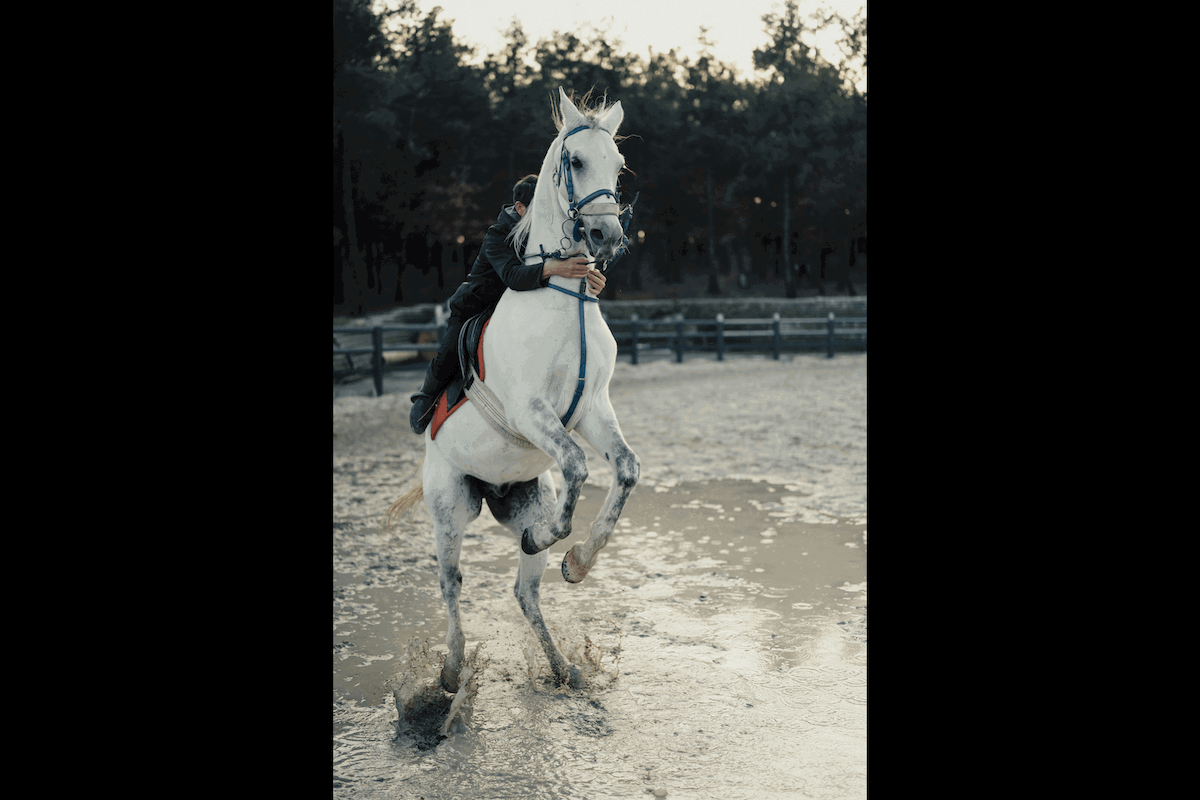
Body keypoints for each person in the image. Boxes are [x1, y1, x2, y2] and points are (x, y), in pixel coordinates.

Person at [409, 174, 607, 434]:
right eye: (539, 207)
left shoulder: (547, 234)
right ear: (520, 208)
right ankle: (426, 396)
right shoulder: (498, 234)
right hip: (477, 306)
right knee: (447, 357)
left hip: (519, 308)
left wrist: (593, 281)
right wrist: (557, 267)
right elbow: (513, 276)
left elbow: (566, 272)